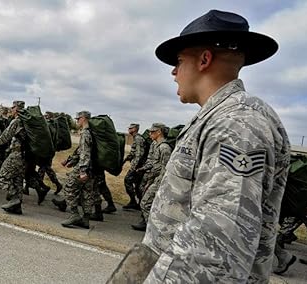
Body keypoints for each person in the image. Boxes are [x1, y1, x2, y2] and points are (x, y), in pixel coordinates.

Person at [108, 10, 290, 283]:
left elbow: (215, 249)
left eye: (179, 61)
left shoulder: (237, 124)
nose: (173, 71)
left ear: (204, 60)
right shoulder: (216, 117)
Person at [0, 101, 27, 214]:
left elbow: (4, 137)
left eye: (12, 108)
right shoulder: (27, 121)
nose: (11, 110)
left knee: (3, 176)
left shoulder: (17, 121)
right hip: (25, 156)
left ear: (16, 109)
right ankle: (17, 207)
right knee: (17, 180)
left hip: (16, 154)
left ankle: (14, 198)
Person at [131, 123, 172, 231]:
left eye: (152, 132)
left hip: (158, 180)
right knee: (146, 201)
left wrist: (158, 182)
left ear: (159, 132)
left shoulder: (164, 148)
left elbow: (166, 168)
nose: (149, 134)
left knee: (145, 203)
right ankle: (147, 224)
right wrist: (143, 168)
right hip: (152, 177)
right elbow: (153, 162)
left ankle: (153, 228)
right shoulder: (155, 145)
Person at [59, 111, 94, 229]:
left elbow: (85, 152)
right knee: (86, 193)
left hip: (84, 167)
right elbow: (80, 151)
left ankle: (74, 214)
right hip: (92, 168)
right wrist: (71, 161)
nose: (77, 121)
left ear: (84, 119)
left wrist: (82, 170)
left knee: (68, 186)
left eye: (78, 119)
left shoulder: (85, 133)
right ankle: (86, 219)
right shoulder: (92, 132)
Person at [122, 123, 146, 210]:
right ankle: (139, 203)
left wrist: (134, 167)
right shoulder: (136, 138)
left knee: (127, 180)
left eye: (131, 128)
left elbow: (139, 154)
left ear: (135, 129)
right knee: (138, 184)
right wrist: (125, 160)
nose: (129, 130)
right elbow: (133, 153)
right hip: (139, 166)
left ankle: (133, 201)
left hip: (138, 166)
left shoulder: (138, 139)